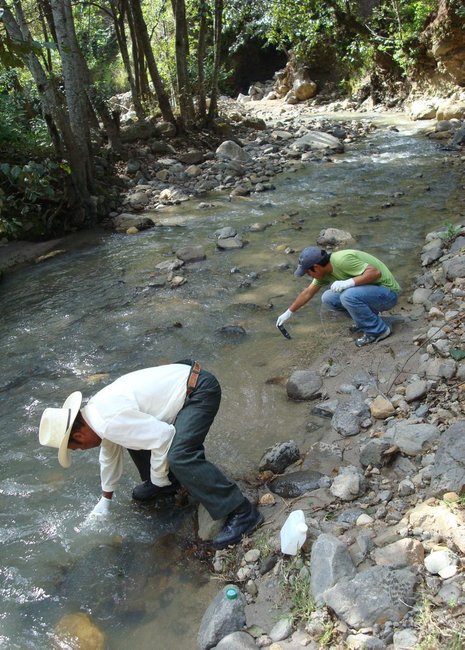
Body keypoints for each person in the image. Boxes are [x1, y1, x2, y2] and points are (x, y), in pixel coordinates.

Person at [38, 360, 263, 550]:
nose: (81, 450)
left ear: (79, 434)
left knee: (180, 455)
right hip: (185, 380)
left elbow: (163, 436)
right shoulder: (95, 412)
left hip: (198, 391)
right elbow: (109, 452)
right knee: (134, 439)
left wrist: (158, 477)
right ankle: (169, 484)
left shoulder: (107, 422)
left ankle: (241, 511)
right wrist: (105, 498)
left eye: (76, 448)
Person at [276, 247, 400, 347]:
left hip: (388, 294)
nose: (309, 276)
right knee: (328, 297)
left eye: (308, 272)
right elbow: (308, 292)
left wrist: (348, 282)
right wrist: (288, 312)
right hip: (373, 295)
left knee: (347, 295)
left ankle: (378, 331)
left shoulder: (341, 260)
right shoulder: (322, 274)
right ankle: (368, 321)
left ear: (317, 267)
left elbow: (375, 273)